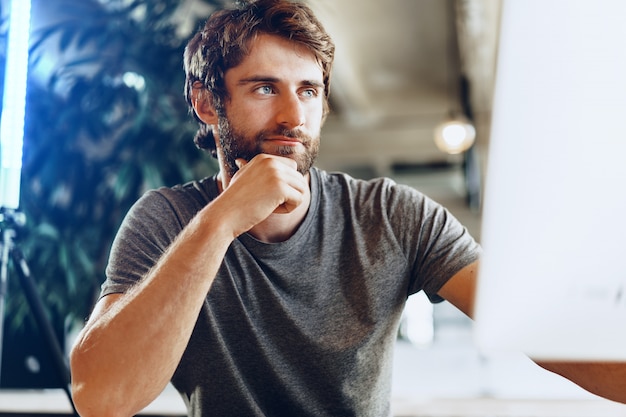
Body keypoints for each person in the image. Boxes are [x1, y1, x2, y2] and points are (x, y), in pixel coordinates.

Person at [69, 0, 626, 416]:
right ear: (205, 104)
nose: (293, 115)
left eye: (309, 91)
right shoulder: (166, 220)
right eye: (265, 88)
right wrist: (221, 221)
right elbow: (102, 397)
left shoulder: (392, 216)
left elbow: (540, 331)